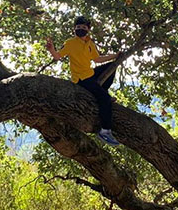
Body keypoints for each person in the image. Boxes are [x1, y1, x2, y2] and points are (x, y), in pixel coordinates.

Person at [46, 16, 122, 146]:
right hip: (81, 79)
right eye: (78, 27)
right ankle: (105, 131)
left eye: (84, 28)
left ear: (88, 30)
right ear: (74, 29)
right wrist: (51, 49)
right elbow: (58, 56)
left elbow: (97, 59)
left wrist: (115, 56)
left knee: (111, 67)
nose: (81, 29)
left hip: (90, 74)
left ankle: (102, 91)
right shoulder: (70, 43)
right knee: (104, 100)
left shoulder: (89, 42)